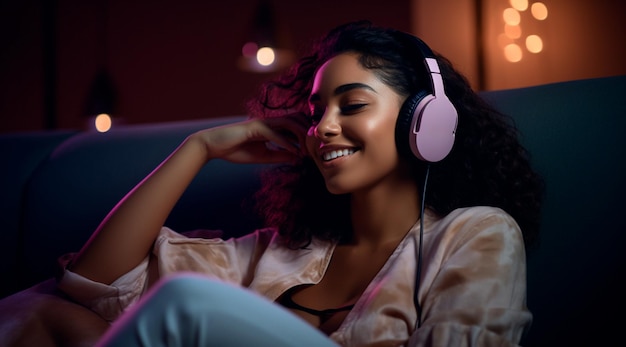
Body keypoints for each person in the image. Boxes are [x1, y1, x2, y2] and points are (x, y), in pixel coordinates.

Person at [2, 20, 544, 346]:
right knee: (42, 311)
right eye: (315, 112)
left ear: (428, 120)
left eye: (351, 104)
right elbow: (96, 285)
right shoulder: (282, 252)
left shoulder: (476, 234)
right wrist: (201, 148)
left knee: (186, 300)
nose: (323, 127)